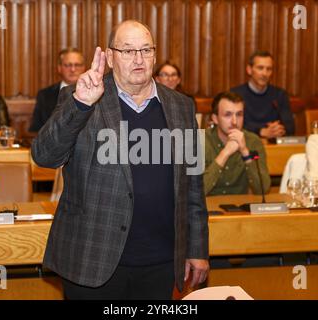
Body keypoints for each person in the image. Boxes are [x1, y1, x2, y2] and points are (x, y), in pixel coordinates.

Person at [32, 20, 209, 300]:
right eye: (128, 51)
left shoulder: (181, 105)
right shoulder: (82, 96)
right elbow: (44, 156)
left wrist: (197, 249)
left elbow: (193, 185)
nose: (138, 59)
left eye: (146, 50)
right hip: (93, 260)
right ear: (111, 58)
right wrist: (80, 105)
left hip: (160, 261)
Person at [204, 91, 271, 196]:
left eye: (239, 115)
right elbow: (197, 191)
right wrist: (225, 153)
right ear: (215, 119)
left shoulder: (253, 141)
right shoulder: (199, 141)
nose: (234, 122)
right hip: (207, 208)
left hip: (240, 208)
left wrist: (245, 153)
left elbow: (263, 190)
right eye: (228, 115)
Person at [231, 50, 295, 139]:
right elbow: (232, 125)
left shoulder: (279, 95)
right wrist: (261, 131)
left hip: (274, 146)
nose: (265, 74)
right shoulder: (235, 95)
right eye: (260, 68)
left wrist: (278, 130)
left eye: (269, 69)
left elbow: (290, 126)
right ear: (249, 70)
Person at [29, 48, 85, 132]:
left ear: (84, 67)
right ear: (59, 68)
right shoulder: (45, 95)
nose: (73, 69)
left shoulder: (95, 93)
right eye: (68, 65)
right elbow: (35, 129)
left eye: (77, 65)